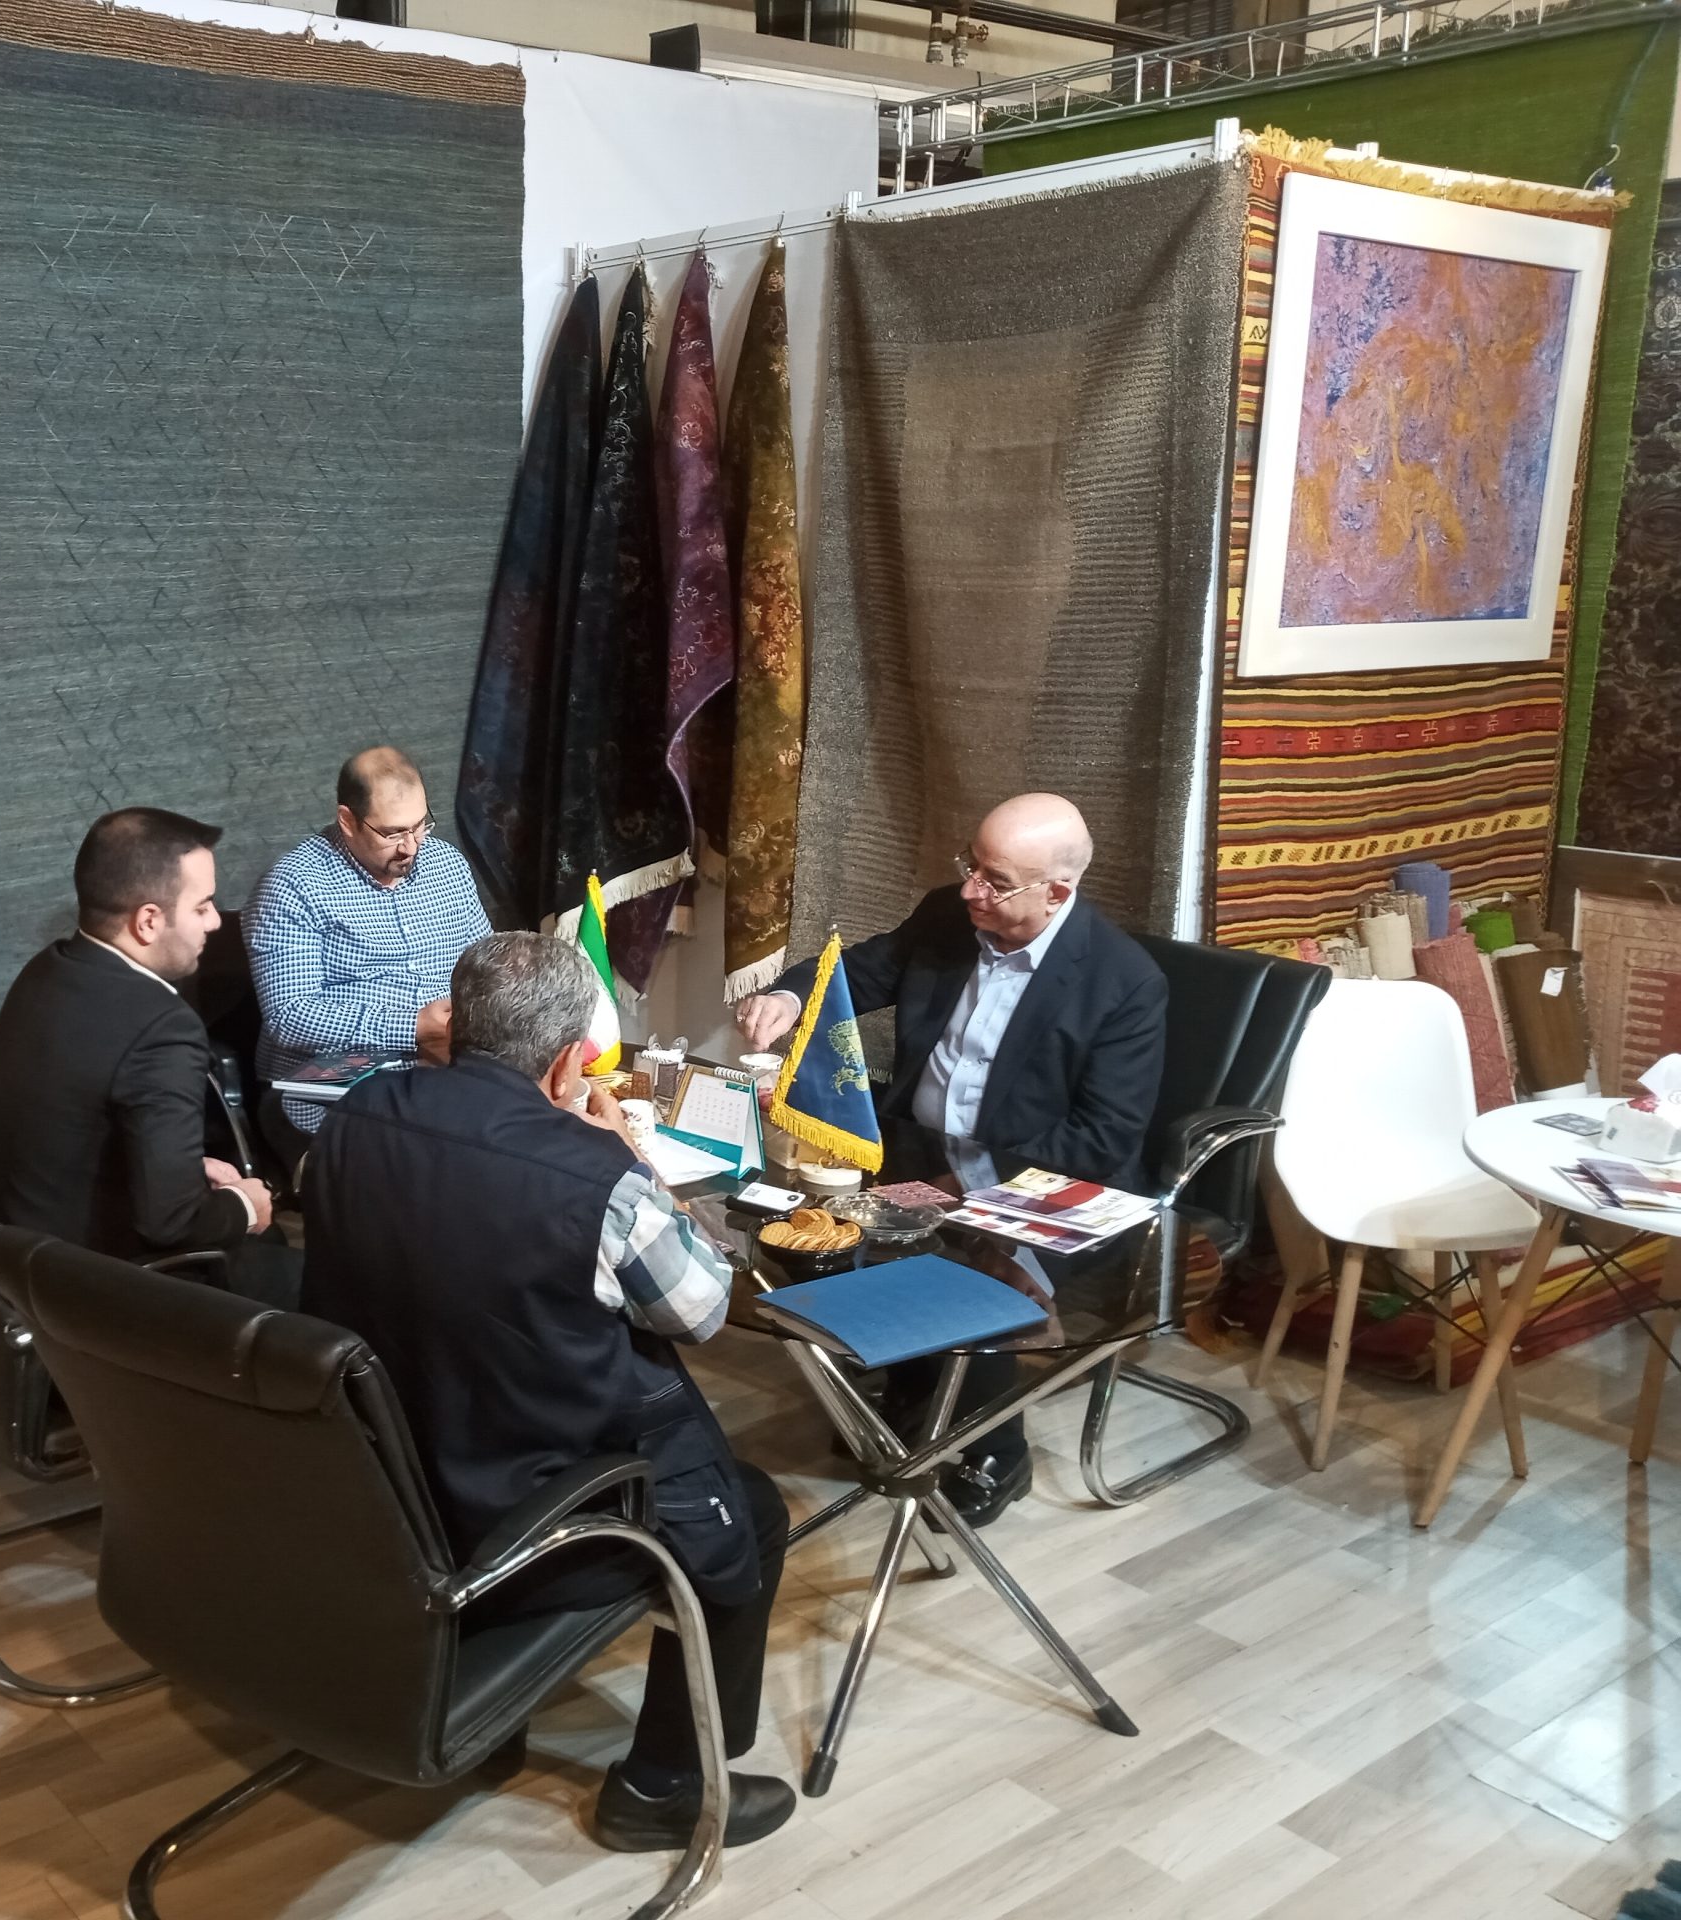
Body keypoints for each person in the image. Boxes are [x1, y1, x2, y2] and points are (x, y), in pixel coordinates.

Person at [305, 932, 795, 1853]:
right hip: (533, 1505)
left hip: (386, 1471)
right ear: (572, 1062)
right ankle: (664, 1787)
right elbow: (701, 1312)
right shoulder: (597, 1181)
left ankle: (490, 1725)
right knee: (752, 1511)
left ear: (456, 1023)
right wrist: (636, 1166)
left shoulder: (357, 1114)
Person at [735, 792, 1166, 1527]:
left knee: (969, 1269)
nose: (971, 890)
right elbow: (854, 974)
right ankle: (911, 1396)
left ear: (1057, 891)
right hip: (918, 1151)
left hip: (1038, 1180)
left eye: (996, 881)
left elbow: (1104, 1139)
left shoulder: (1122, 983)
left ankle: (997, 1451)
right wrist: (790, 995)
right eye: (972, 865)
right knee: (797, 1234)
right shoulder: (950, 914)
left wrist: (964, 1186)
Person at [0, 809, 296, 1306]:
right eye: (202, 906)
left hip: (11, 1260)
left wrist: (183, 1165)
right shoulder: (164, 1030)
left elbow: (73, 1125)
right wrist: (246, 1204)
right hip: (92, 1292)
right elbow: (172, 1222)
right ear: (148, 921)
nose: (215, 921)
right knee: (314, 1282)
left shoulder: (45, 971)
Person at [244, 747, 493, 1149]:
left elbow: (486, 967)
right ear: (348, 820)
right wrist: (413, 1027)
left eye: (420, 826)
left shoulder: (447, 864)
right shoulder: (294, 885)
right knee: (442, 1150)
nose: (411, 846)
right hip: (340, 1079)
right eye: (392, 833)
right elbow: (290, 1017)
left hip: (450, 1062)